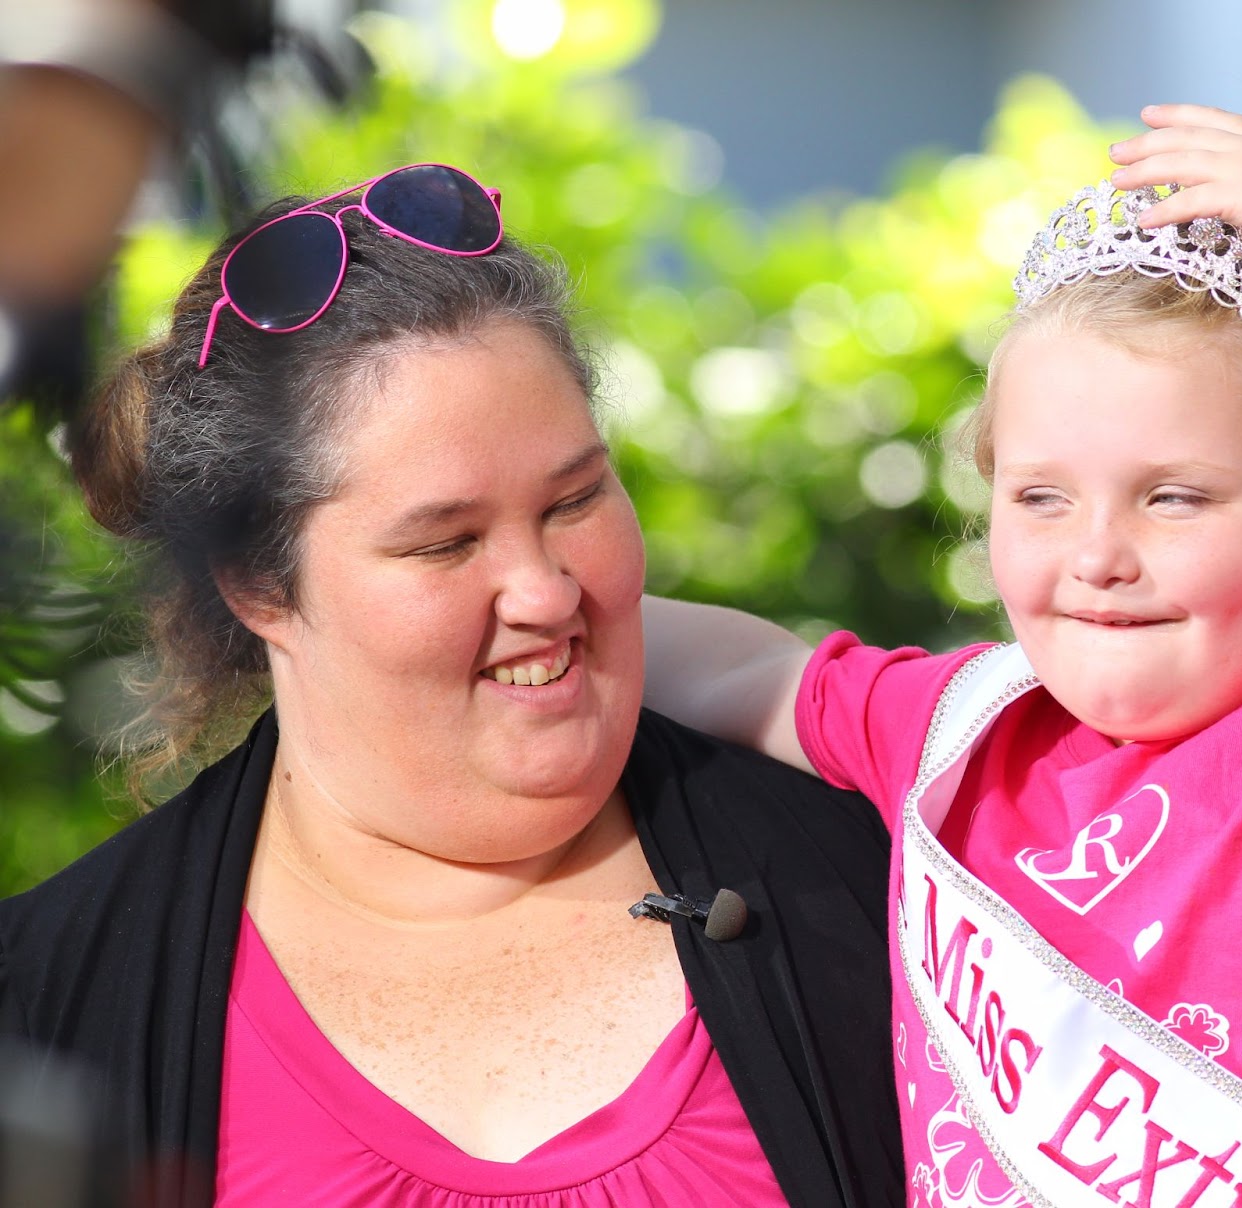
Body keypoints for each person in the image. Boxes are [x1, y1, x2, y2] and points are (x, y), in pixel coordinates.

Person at [643, 105, 1242, 1205]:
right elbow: (743, 674)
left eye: (1173, 497)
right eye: (1040, 497)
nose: (1096, 554)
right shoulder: (968, 732)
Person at [0, 163, 902, 1208]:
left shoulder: (882, 881)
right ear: (256, 581)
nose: (542, 589)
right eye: (446, 541)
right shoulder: (49, 1010)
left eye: (574, 500)